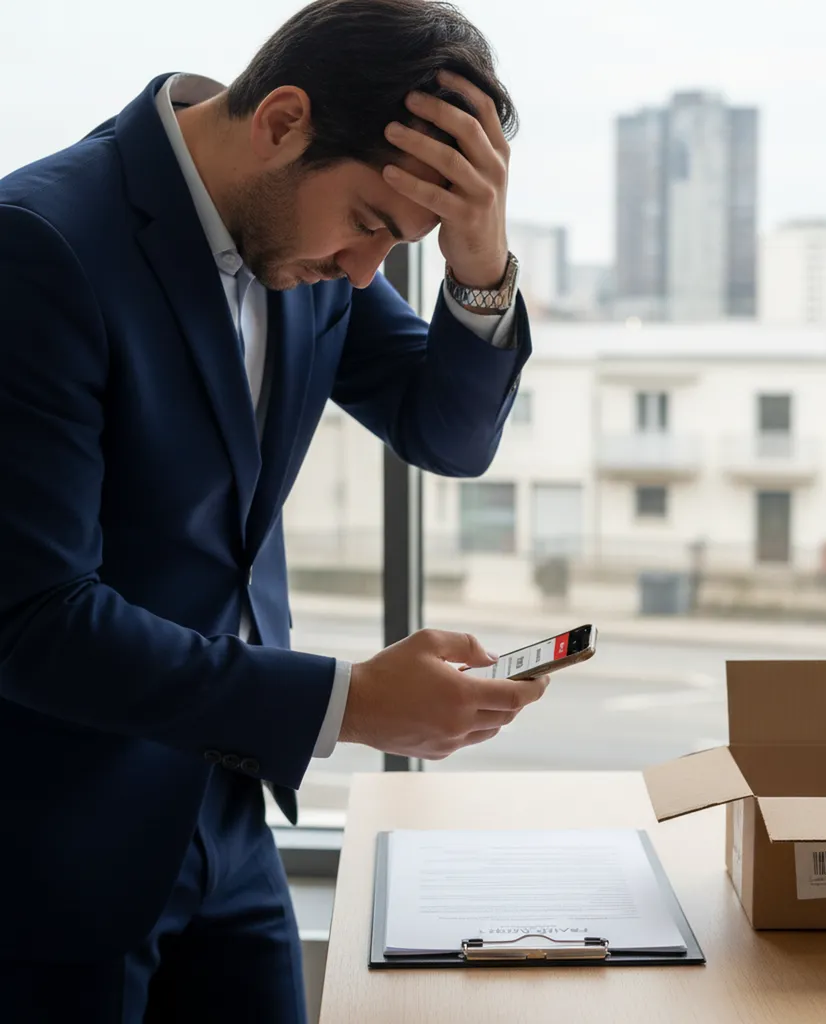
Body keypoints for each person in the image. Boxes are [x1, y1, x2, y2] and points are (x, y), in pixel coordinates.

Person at [0, 1, 550, 1019]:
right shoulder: (38, 250)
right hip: (51, 849)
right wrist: (346, 703)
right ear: (284, 120)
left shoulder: (306, 252)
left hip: (227, 819)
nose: (363, 270)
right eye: (372, 226)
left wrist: (478, 262)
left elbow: (448, 434)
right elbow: (33, 622)